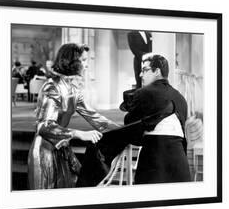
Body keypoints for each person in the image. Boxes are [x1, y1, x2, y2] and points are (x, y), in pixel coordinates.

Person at [27, 43, 119, 189]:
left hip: (61, 147)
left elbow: (94, 116)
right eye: (83, 60)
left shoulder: (73, 89)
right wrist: (78, 133)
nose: (85, 65)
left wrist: (122, 131)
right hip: (44, 151)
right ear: (71, 61)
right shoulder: (51, 87)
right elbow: (44, 127)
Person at [122, 53, 191, 184]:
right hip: (180, 163)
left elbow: (131, 131)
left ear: (157, 71)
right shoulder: (181, 98)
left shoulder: (143, 93)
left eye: (144, 70)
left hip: (154, 160)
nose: (141, 75)